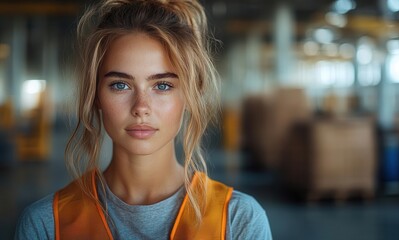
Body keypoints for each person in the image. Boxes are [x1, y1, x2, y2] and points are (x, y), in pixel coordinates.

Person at [15, 0, 272, 239]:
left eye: (162, 85)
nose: (141, 107)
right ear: (95, 95)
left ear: (191, 94)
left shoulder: (238, 221)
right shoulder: (47, 223)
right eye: (120, 85)